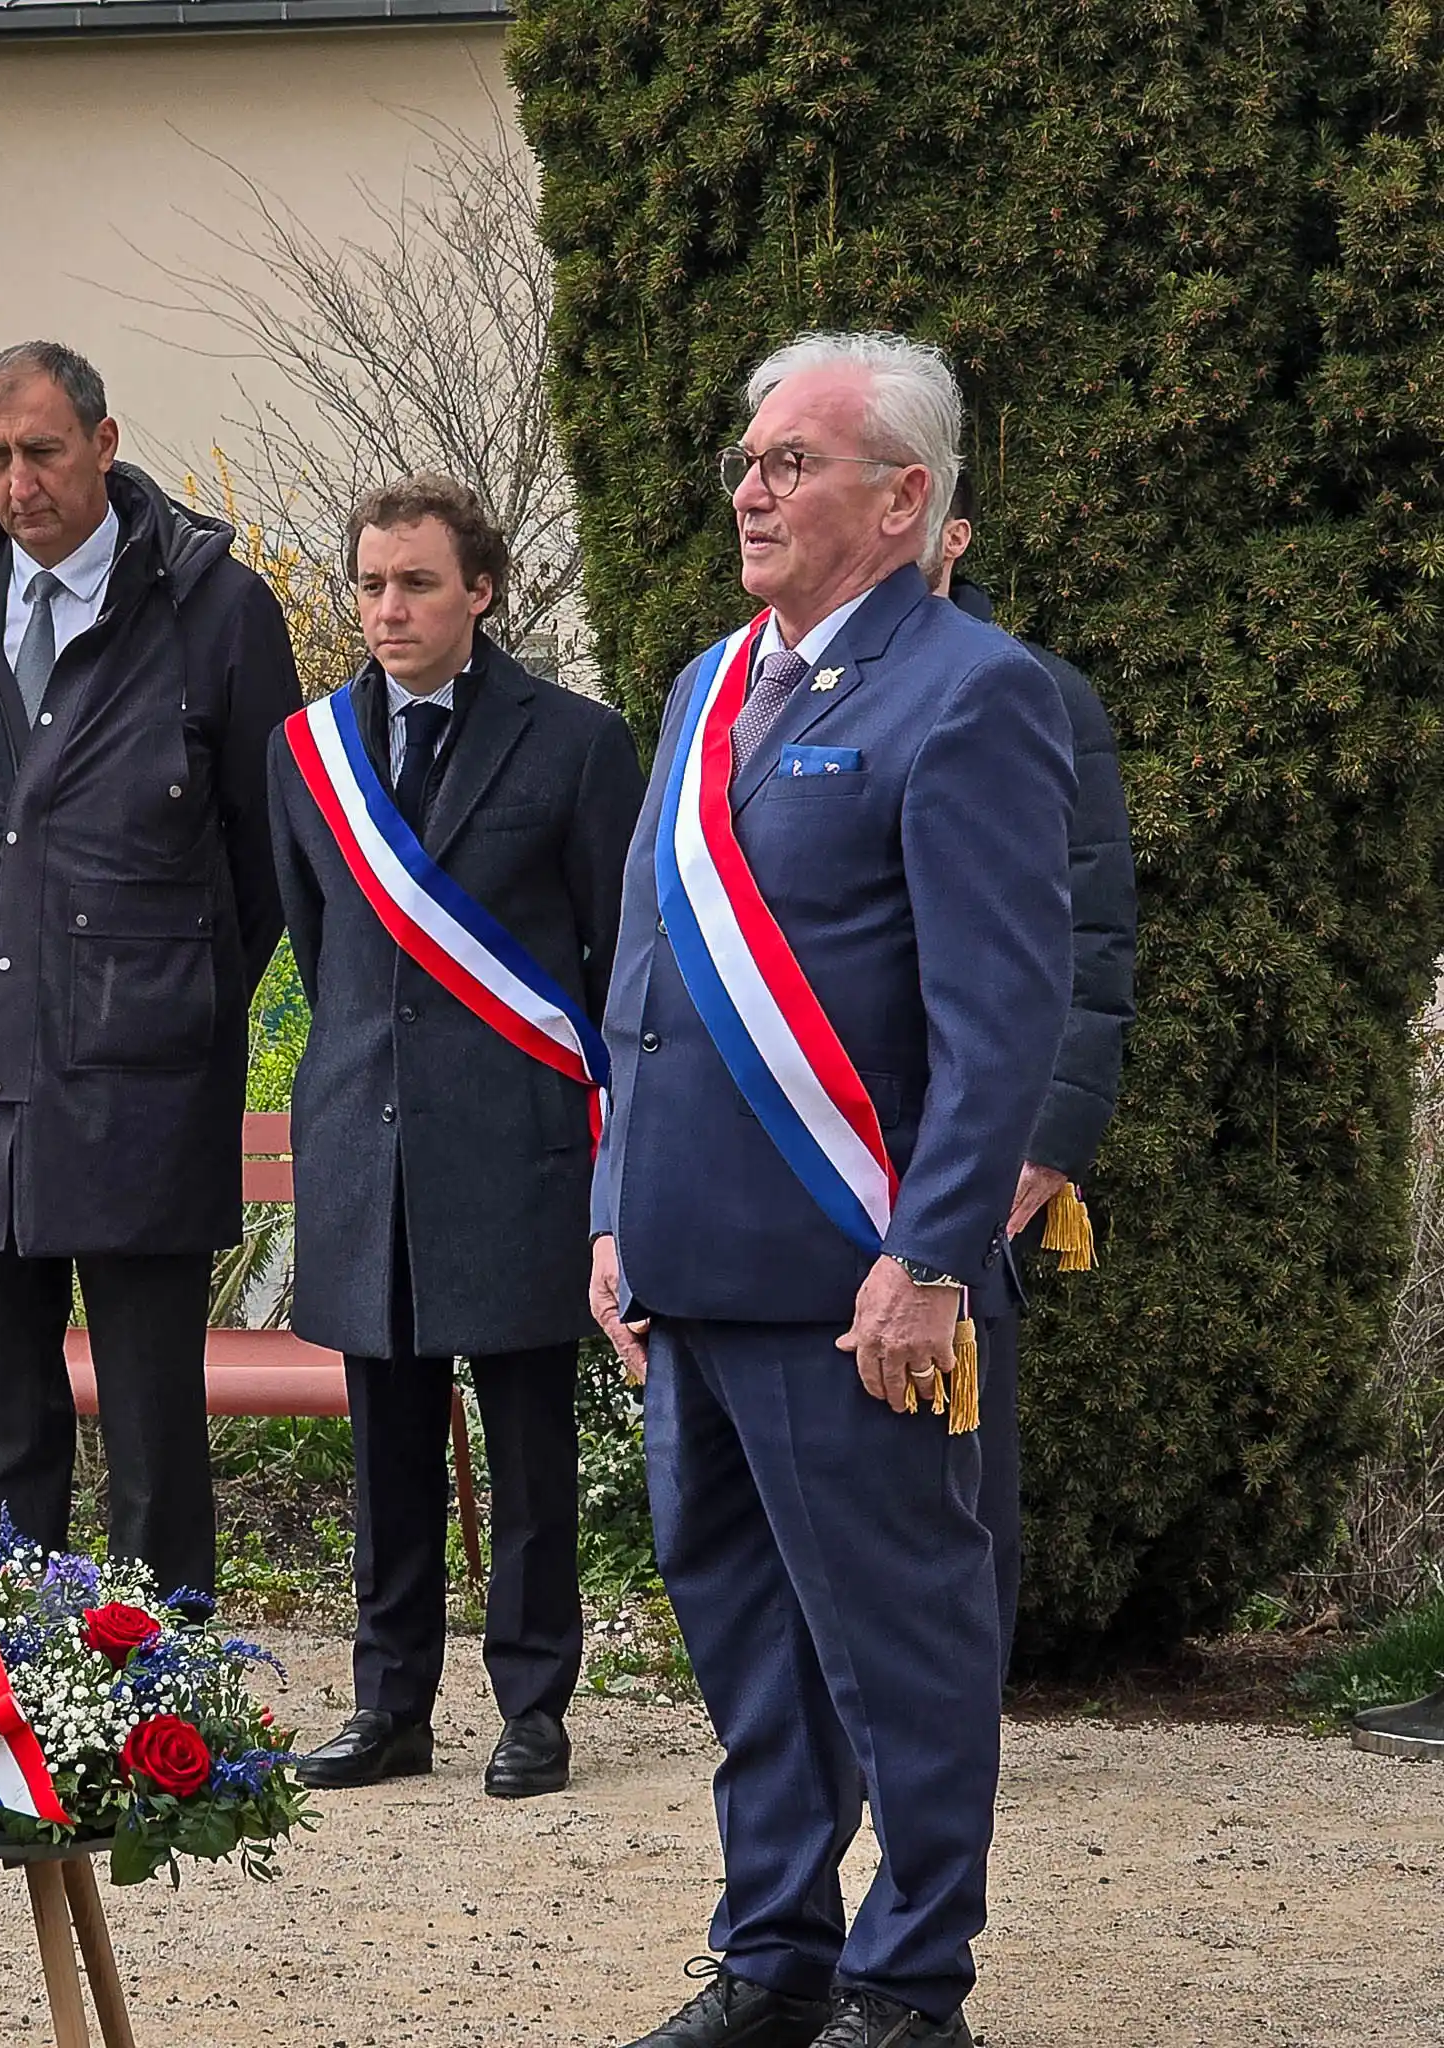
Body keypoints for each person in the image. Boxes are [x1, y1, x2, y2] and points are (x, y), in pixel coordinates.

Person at [591, 333, 1074, 2048]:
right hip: (688, 1266)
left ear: (902, 497)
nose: (750, 484)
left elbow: (995, 1012)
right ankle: (773, 1953)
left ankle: (906, 1979)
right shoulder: (707, 688)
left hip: (853, 1279)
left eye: (793, 460)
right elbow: (639, 974)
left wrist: (932, 1253)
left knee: (903, 1643)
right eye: (749, 457)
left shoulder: (970, 692)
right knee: (742, 1648)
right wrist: (607, 1209)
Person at [0, 341, 302, 1603]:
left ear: (105, 445)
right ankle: (12, 1690)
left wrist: (164, 979)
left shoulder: (214, 606)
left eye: (44, 452)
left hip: (142, 1073)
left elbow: (265, 848)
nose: (18, 484)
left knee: (154, 1432)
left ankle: (165, 1704)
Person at [268, 476, 644, 1798]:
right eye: (370, 584)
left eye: (416, 583)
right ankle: (392, 1707)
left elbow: (616, 968)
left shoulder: (577, 744)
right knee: (388, 1451)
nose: (388, 609)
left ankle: (534, 1708)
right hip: (372, 1153)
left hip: (522, 1149)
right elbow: (330, 958)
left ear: (478, 591)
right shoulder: (307, 750)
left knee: (532, 1452)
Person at [933, 470, 1137, 1671]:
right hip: (815, 1131)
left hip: (976, 1135)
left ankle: (958, 1705)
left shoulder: (1034, 693)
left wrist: (1048, 1138)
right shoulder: (757, 685)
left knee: (962, 1452)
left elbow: (1088, 936)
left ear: (947, 529)